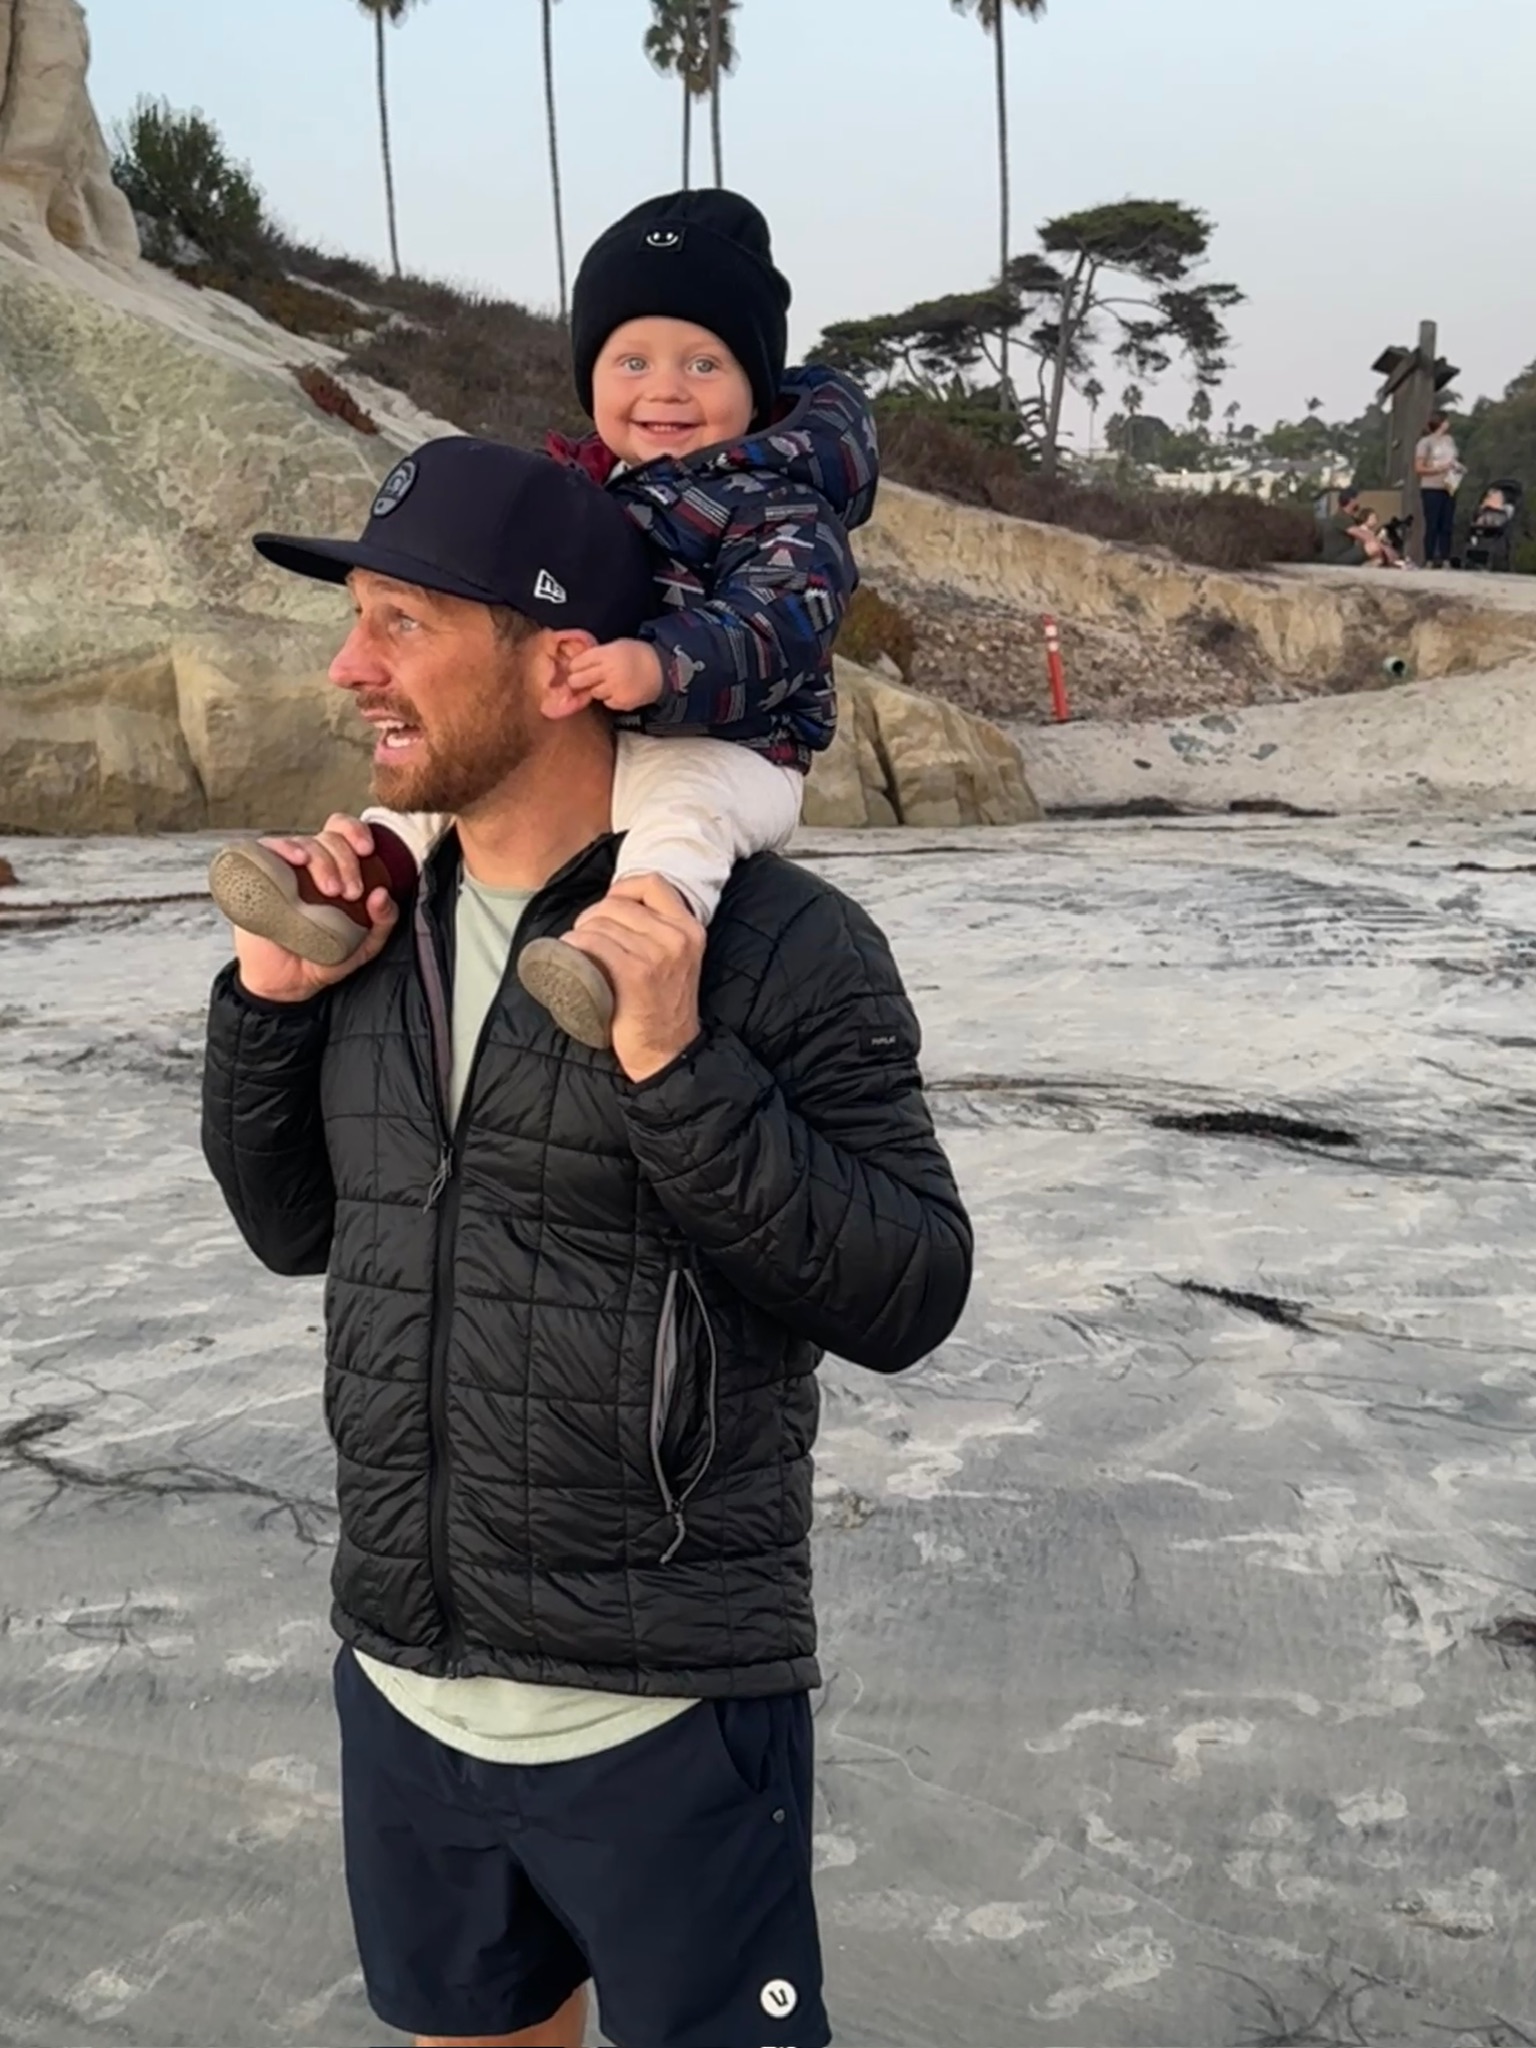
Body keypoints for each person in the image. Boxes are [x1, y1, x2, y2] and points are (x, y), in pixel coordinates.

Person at [200, 437, 974, 2048]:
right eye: (357, 619)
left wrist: (677, 1069)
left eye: (403, 622)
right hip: (406, 1685)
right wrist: (268, 1012)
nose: (350, 668)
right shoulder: (377, 928)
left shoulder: (777, 946)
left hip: (665, 1712)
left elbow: (909, 1287)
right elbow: (294, 1230)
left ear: (562, 662)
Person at [207, 189, 878, 1052]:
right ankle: (358, 882)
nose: (665, 388)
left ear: (756, 386)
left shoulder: (783, 503)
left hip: (735, 746)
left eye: (704, 365)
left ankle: (622, 952)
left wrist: (662, 663)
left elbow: (785, 619)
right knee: (451, 775)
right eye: (631, 361)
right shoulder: (591, 491)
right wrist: (268, 1011)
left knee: (682, 824)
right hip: (611, 733)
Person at [1415, 410, 1462, 568]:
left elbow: (1454, 459)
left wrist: (1456, 468)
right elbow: (1419, 468)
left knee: (1447, 525)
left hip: (1449, 485)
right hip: (1431, 487)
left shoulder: (1449, 440)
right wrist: (1440, 468)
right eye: (1446, 421)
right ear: (1440, 423)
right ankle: (1429, 558)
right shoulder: (1425, 442)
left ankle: (1445, 557)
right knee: (1432, 524)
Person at [1322, 486, 1391, 567]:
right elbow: (1364, 536)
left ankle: (1375, 564)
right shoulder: (1341, 517)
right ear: (1352, 501)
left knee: (1374, 545)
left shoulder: (1348, 518)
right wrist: (1385, 549)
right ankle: (1368, 566)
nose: (1359, 502)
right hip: (1337, 558)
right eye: (1357, 499)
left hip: (1345, 554)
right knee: (1373, 546)